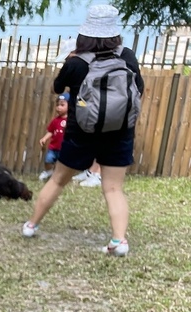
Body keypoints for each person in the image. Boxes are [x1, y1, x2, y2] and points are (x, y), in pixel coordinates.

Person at [21, 4, 144, 256]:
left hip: (81, 132)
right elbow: (139, 89)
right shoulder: (127, 56)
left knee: (57, 180)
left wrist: (70, 62)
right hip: (120, 131)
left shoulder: (76, 62)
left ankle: (31, 225)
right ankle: (119, 241)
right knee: (113, 189)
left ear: (85, 33)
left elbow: (58, 87)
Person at [38, 93, 69, 180]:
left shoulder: (71, 120)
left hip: (64, 148)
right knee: (48, 160)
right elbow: (51, 131)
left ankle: (60, 176)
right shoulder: (55, 120)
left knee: (62, 164)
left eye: (62, 105)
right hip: (53, 147)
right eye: (57, 105)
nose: (58, 107)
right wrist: (44, 138)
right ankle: (48, 171)